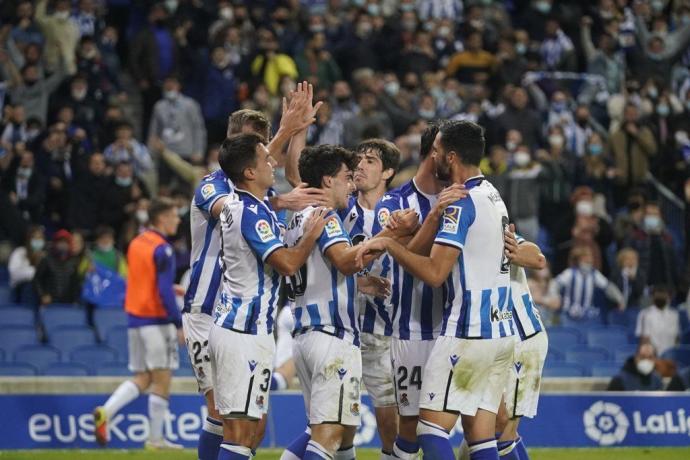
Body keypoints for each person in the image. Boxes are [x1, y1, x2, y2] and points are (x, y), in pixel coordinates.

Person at [182, 84, 327, 460]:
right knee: (225, 417)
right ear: (231, 144)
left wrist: (297, 131)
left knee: (254, 422)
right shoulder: (211, 186)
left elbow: (282, 181)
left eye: (263, 144)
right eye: (258, 148)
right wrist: (285, 130)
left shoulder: (261, 194)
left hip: (251, 316)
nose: (267, 155)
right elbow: (232, 210)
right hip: (209, 310)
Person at [357, 120, 516, 459]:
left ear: (450, 155)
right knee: (467, 431)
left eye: (441, 151)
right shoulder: (491, 196)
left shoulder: (459, 201)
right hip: (460, 330)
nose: (437, 157)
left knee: (435, 428)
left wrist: (389, 242)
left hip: (461, 330)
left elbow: (433, 272)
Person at [282, 144, 390, 460]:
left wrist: (358, 282)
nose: (351, 184)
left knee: (332, 431)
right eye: (346, 176)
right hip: (331, 335)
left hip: (304, 335)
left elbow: (322, 269)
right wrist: (389, 237)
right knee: (327, 436)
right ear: (328, 181)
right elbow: (345, 260)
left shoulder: (295, 216)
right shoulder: (325, 216)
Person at [366, 122, 465, 460]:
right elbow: (411, 257)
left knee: (482, 419)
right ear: (434, 154)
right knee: (410, 425)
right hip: (413, 328)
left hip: (462, 328)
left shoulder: (464, 198)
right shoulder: (393, 204)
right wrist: (433, 217)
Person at [93, 198, 183, 450]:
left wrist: (166, 289)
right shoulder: (163, 248)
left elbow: (145, 281)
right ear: (162, 218)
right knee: (162, 376)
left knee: (144, 376)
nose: (177, 220)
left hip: (135, 320)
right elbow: (163, 290)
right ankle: (155, 440)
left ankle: (106, 412)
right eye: (174, 215)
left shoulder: (136, 243)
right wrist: (178, 323)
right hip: (157, 320)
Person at [341, 139, 401, 458]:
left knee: (390, 422)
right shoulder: (340, 207)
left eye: (371, 161)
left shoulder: (401, 211)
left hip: (384, 332)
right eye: (358, 159)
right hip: (341, 330)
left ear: (388, 171)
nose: (360, 165)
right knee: (337, 421)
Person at [636, 285, 680, 356]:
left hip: (671, 356)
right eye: (659, 296)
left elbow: (676, 339)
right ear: (653, 298)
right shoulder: (644, 314)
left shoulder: (674, 315)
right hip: (652, 356)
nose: (662, 298)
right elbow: (644, 340)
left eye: (664, 296)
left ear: (669, 298)